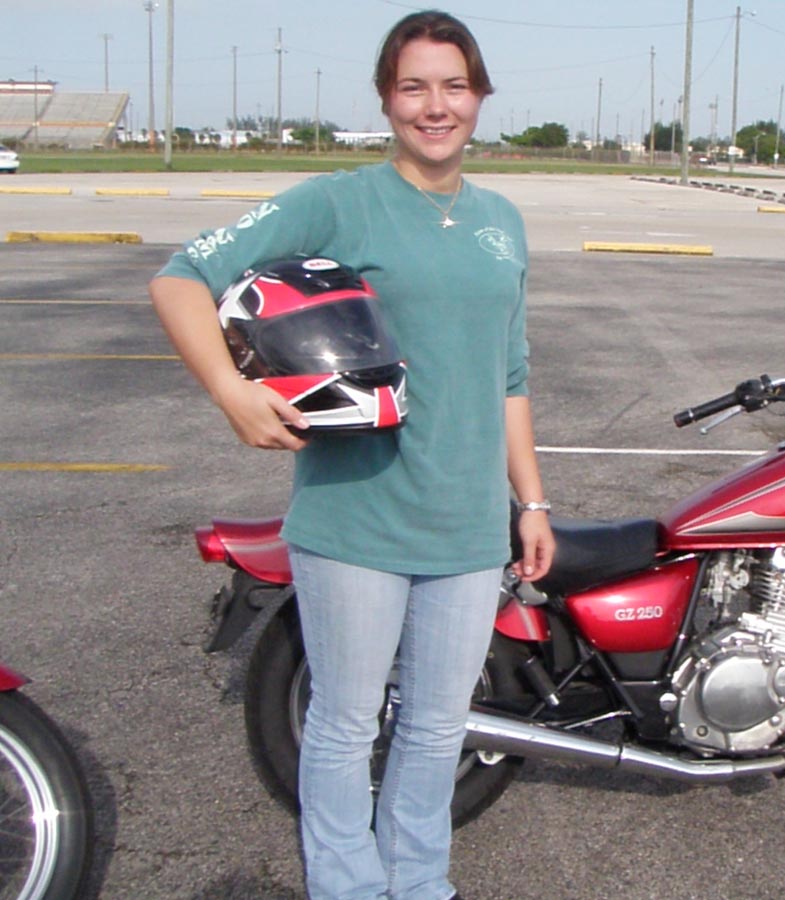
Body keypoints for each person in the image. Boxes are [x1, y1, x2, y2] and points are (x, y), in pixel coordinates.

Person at [149, 10, 554, 899]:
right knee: (343, 725)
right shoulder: (338, 201)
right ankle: (347, 888)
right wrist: (231, 392)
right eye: (414, 87)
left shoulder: (501, 221)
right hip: (356, 518)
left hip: (467, 526)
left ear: (480, 96)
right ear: (385, 99)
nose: (435, 106)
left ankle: (419, 883)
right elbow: (180, 276)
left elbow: (510, 375)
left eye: (454, 86)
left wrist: (530, 503)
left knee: (437, 728)